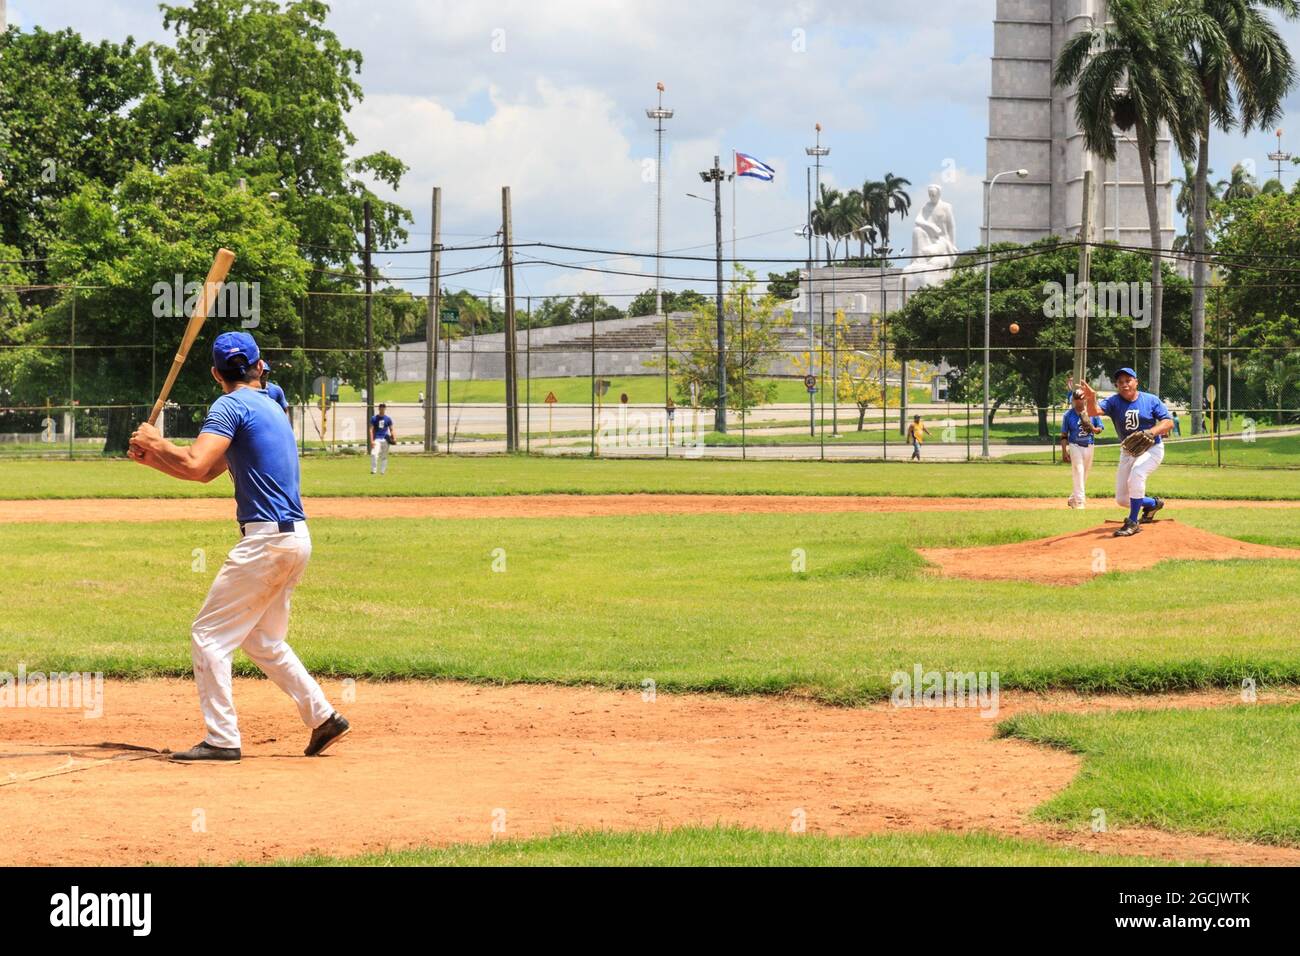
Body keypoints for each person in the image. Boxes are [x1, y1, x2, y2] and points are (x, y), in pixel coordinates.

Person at [128, 330, 350, 762]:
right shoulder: (271, 401)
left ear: (215, 374)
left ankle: (222, 740)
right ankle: (323, 716)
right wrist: (155, 457)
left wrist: (158, 443)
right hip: (294, 539)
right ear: (260, 366)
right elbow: (205, 471)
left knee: (208, 635)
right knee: (262, 641)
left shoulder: (228, 405)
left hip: (266, 542)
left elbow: (194, 462)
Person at [1078, 367, 1174, 537]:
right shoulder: (1114, 401)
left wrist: (1151, 432)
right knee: (1122, 499)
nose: (1124, 384)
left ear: (1136, 382)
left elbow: (1168, 422)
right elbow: (1094, 412)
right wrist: (1092, 398)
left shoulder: (1150, 400)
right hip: (1128, 452)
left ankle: (1132, 522)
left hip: (1152, 449)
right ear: (1117, 385)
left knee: (1137, 474)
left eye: (1128, 380)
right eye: (1120, 382)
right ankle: (1153, 503)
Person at [1060, 388, 1105, 509]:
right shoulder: (1068, 415)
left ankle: (1073, 498)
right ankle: (1080, 502)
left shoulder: (1091, 412)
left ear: (1085, 399)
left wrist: (1095, 430)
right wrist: (1064, 451)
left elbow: (1100, 427)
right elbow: (1064, 435)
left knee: (1084, 474)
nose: (1079, 400)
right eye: (1076, 398)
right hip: (1075, 446)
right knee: (1079, 471)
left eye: (1081, 398)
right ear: (1073, 400)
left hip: (1089, 445)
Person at [369, 403, 395, 475]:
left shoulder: (388, 419)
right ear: (379, 408)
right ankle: (373, 470)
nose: (382, 408)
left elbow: (391, 429)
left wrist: (394, 437)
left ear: (385, 408)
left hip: (385, 439)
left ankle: (382, 471)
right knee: (374, 454)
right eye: (381, 407)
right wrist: (371, 441)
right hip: (377, 439)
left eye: (383, 407)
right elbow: (371, 430)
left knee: (384, 456)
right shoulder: (374, 418)